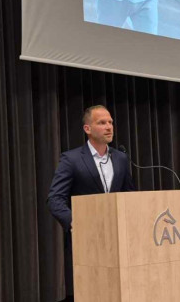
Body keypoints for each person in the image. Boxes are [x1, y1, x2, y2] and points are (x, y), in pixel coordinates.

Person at [47, 105, 135, 300]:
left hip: (118, 240)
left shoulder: (121, 158)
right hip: (86, 242)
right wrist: (75, 223)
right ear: (87, 128)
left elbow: (128, 195)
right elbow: (55, 198)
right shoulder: (71, 159)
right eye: (102, 123)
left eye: (110, 122)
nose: (109, 127)